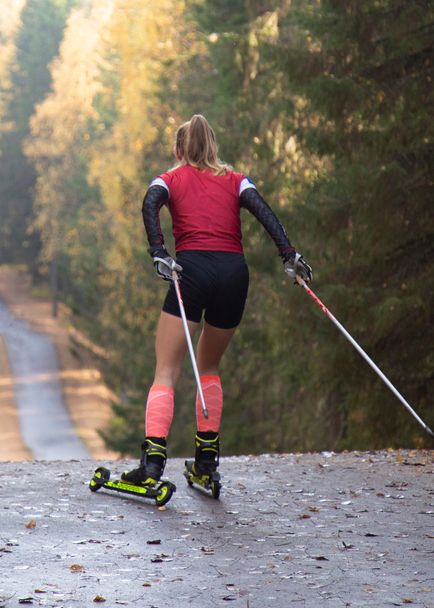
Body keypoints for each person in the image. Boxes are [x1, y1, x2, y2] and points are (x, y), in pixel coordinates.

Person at [121, 114, 312, 487]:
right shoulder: (237, 181)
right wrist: (288, 254)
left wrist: (158, 250)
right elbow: (264, 212)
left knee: (167, 370)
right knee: (208, 366)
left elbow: (150, 202)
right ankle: (206, 463)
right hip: (233, 274)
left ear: (179, 150)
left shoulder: (171, 178)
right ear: (214, 147)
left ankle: (152, 465)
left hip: (191, 271)